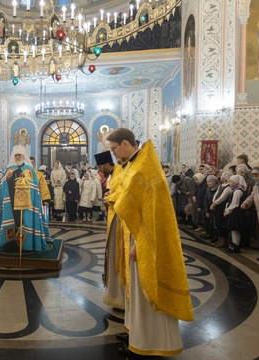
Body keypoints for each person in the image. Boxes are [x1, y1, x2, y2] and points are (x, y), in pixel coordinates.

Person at [104, 128, 194, 358]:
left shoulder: (145, 166)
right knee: (134, 290)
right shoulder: (133, 163)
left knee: (146, 290)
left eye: (114, 149)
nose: (112, 154)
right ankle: (136, 333)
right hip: (134, 233)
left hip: (146, 237)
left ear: (125, 143)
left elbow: (153, 213)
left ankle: (149, 342)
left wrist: (140, 243)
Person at [0, 145, 52, 252]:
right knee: (13, 222)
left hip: (26, 204)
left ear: (23, 156)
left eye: (19, 155)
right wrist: (7, 177)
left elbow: (35, 187)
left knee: (24, 221)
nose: (17, 157)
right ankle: (11, 243)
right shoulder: (9, 169)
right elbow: (1, 186)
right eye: (16, 155)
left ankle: (27, 244)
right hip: (11, 203)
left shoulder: (30, 170)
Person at [95, 150, 126, 311]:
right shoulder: (112, 175)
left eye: (101, 167)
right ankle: (116, 296)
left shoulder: (120, 172)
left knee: (118, 256)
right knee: (112, 255)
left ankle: (122, 297)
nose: (100, 170)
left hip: (121, 222)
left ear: (107, 163)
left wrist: (109, 197)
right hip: (113, 218)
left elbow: (124, 194)